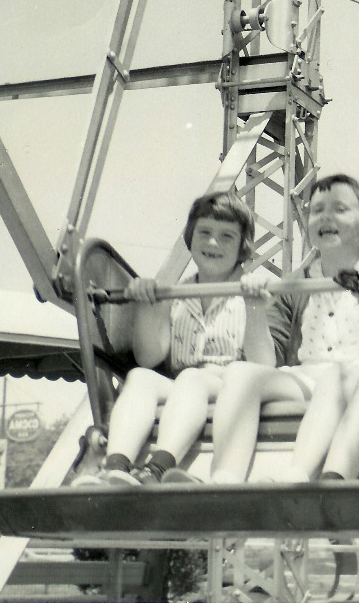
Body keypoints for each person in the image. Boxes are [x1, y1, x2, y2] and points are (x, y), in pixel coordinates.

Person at [207, 173, 359, 484]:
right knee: (240, 373)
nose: (325, 217)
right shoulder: (293, 284)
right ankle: (225, 480)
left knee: (337, 374)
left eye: (339, 209)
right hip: (307, 378)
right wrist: (254, 308)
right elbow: (264, 363)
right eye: (317, 209)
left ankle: (296, 476)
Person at [73, 191, 274, 487]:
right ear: (190, 238)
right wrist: (148, 306)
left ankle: (156, 469)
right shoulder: (175, 294)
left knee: (192, 378)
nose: (213, 242)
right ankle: (115, 467)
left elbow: (265, 364)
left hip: (231, 388)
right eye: (204, 232)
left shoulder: (253, 290)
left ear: (243, 247)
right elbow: (149, 357)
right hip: (185, 388)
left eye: (226, 236)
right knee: (140, 377)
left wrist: (255, 305)